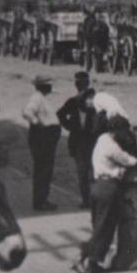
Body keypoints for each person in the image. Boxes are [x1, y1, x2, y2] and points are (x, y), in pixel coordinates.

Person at [73, 113, 137, 273]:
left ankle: (94, 262)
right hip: (108, 188)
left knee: (100, 226)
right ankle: (83, 258)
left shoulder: (102, 139)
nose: (125, 135)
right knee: (104, 227)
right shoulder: (111, 145)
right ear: (117, 131)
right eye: (124, 131)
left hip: (96, 187)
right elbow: (128, 160)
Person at [56, 74, 96, 209]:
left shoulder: (93, 101)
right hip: (81, 141)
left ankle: (92, 199)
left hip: (90, 140)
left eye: (83, 84)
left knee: (88, 171)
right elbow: (60, 114)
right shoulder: (74, 102)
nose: (81, 86)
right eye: (80, 84)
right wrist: (70, 127)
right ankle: (87, 200)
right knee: (84, 172)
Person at [22, 75, 61, 211]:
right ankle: (40, 201)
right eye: (48, 84)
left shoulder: (41, 98)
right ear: (42, 86)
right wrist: (38, 124)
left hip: (46, 137)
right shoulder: (37, 98)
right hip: (43, 137)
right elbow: (27, 112)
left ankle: (42, 199)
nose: (51, 87)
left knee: (44, 169)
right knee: (43, 169)